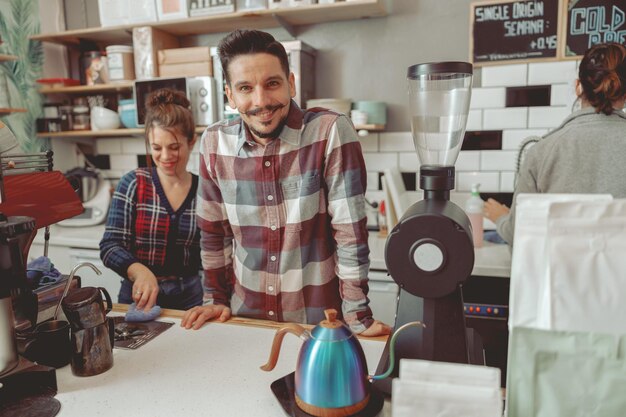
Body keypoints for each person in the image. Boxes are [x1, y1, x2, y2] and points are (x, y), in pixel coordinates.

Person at [181, 29, 390, 336]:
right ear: (230, 96)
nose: (261, 101)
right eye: (245, 88)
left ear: (291, 83)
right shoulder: (213, 143)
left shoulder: (329, 132)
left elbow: (350, 235)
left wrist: (357, 314)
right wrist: (215, 298)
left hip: (320, 325)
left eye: (272, 83)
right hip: (243, 322)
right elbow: (213, 234)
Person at [483, 42, 626, 245]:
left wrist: (500, 218)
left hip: (560, 276)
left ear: (578, 87)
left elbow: (519, 233)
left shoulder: (542, 151)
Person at [100, 88, 203, 310]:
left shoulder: (204, 190)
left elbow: (215, 251)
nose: (165, 156)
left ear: (191, 142)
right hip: (138, 295)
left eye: (174, 147)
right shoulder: (134, 184)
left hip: (191, 298)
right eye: (156, 147)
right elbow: (110, 246)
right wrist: (139, 271)